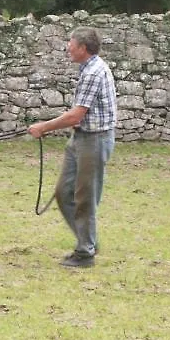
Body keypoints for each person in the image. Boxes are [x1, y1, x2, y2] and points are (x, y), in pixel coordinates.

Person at [27, 27, 117, 268]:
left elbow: (76, 115)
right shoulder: (88, 69)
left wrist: (43, 128)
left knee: (84, 197)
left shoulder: (93, 73)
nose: (68, 47)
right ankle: (88, 241)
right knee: (63, 192)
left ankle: (85, 252)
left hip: (94, 140)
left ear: (83, 48)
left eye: (72, 43)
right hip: (81, 139)